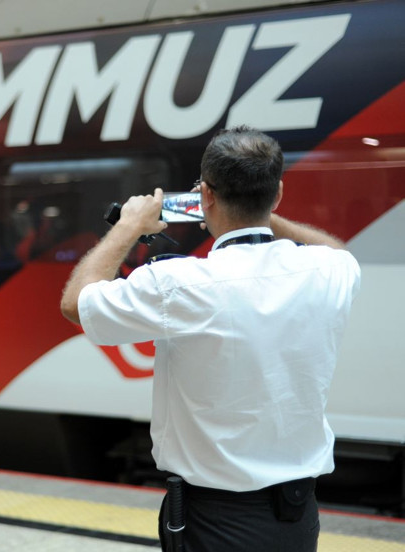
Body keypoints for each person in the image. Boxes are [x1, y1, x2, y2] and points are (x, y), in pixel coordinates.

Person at [60, 126, 360, 551]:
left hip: (215, 522)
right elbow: (336, 250)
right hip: (298, 517)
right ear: (276, 194)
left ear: (206, 196)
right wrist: (259, 208)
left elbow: (77, 303)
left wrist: (128, 226)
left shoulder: (178, 283)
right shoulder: (328, 271)